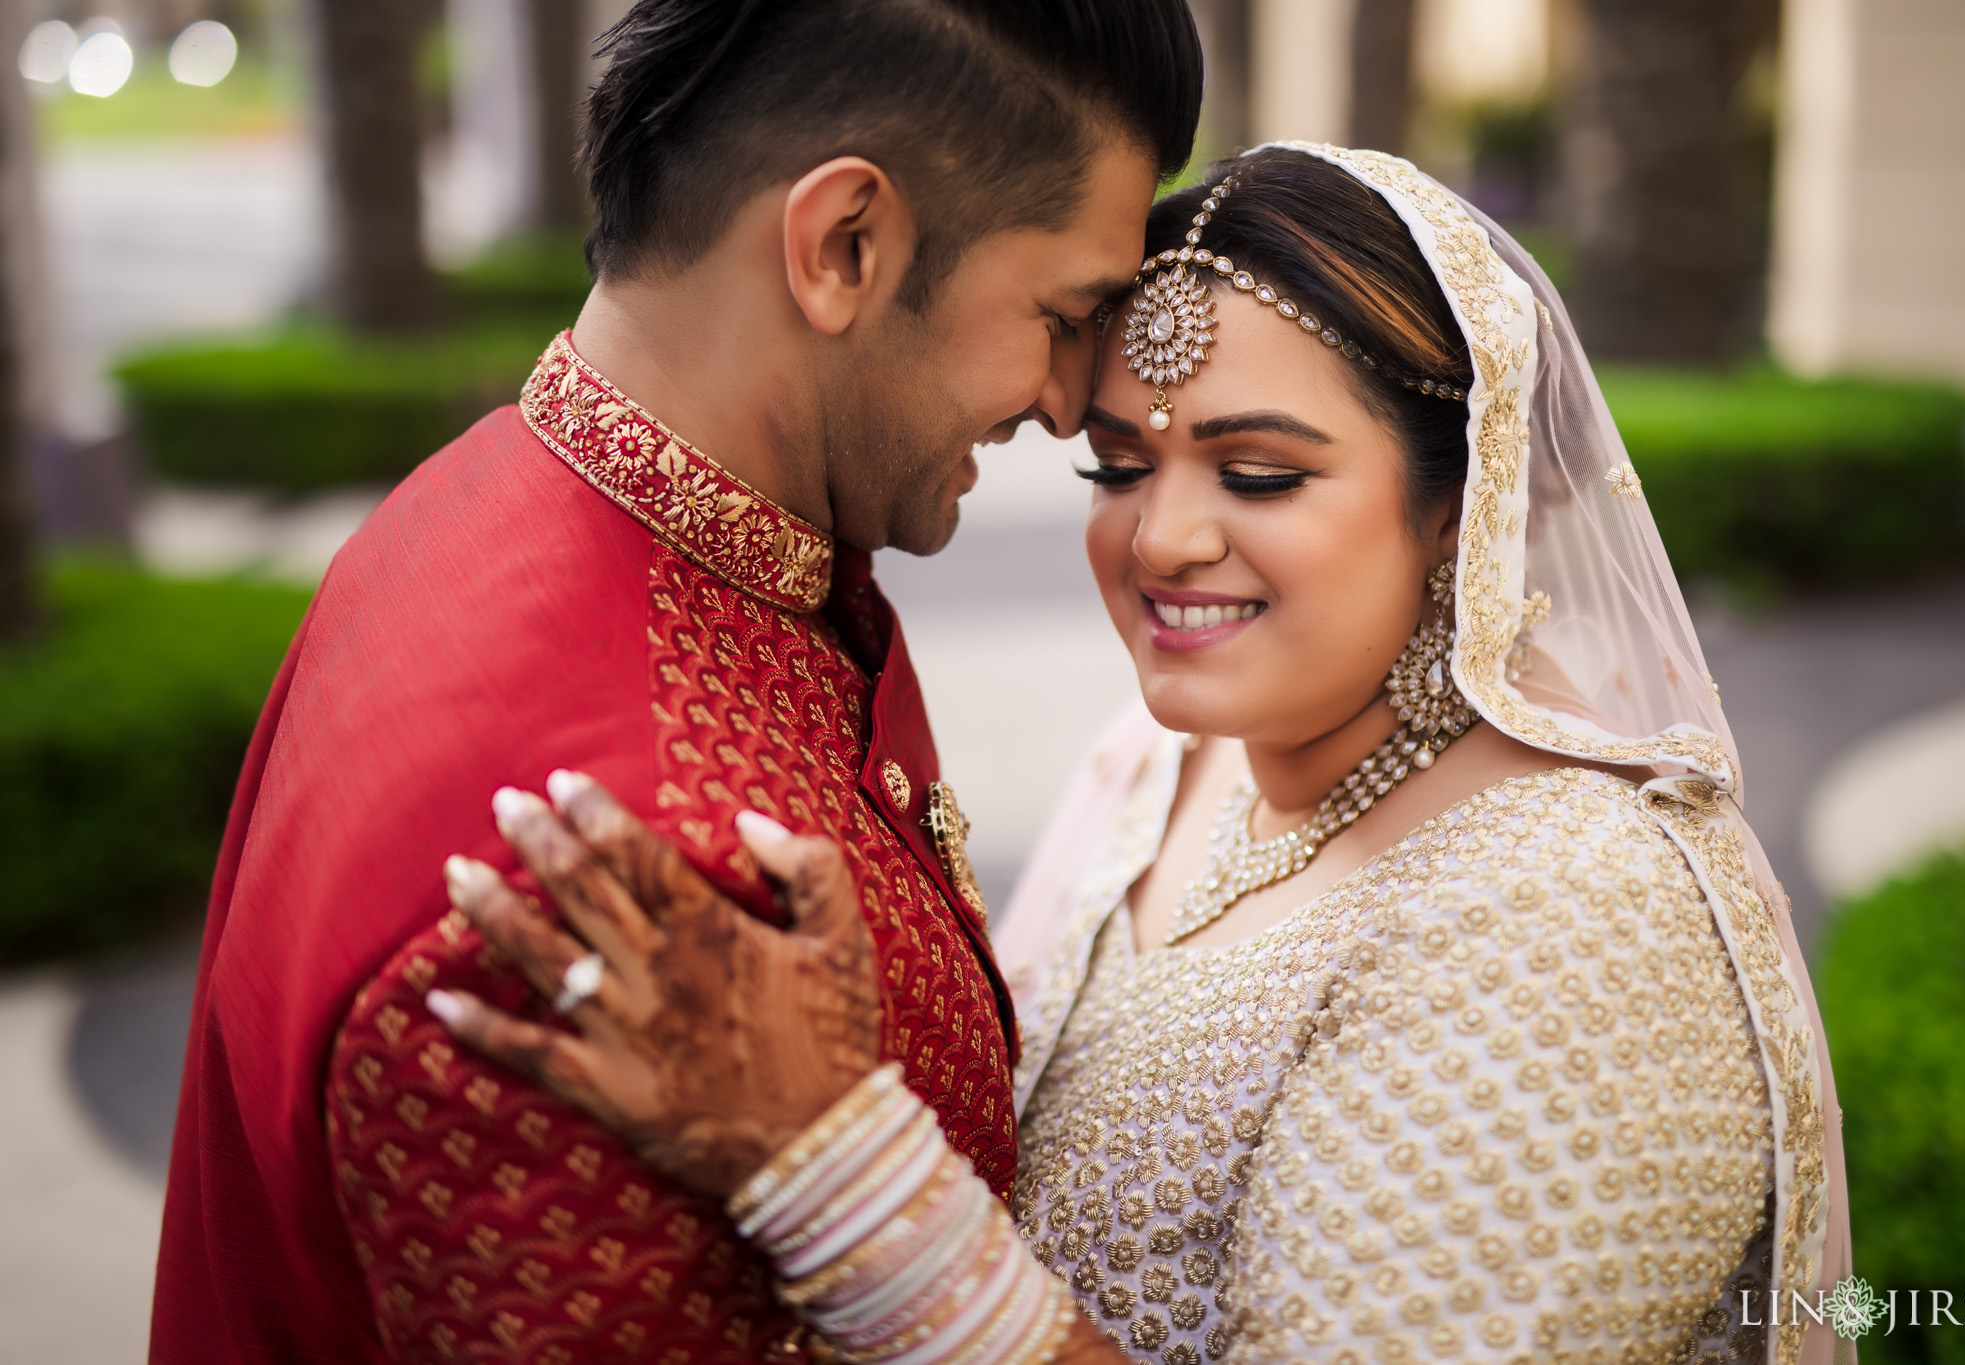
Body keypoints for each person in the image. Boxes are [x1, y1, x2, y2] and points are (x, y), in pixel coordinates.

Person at [431, 145, 1855, 1365]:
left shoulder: (1568, 918)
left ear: (1461, 507)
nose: (1161, 538)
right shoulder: (1168, 761)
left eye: (1259, 473)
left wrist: (831, 1156)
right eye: (1118, 465)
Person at [149, 3, 1203, 1361]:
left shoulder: (500, 491)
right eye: (1061, 315)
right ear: (845, 246)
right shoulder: (608, 908)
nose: (1068, 400)